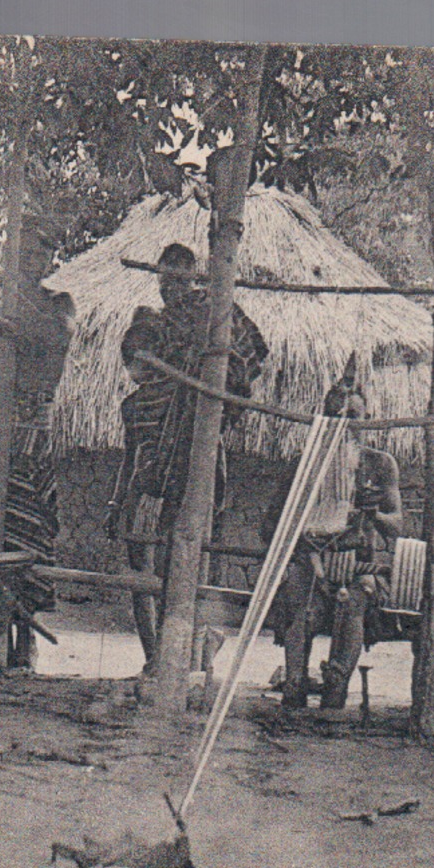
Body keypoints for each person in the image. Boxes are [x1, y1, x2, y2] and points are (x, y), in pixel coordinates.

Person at [109, 242, 269, 668]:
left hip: (195, 462)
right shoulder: (139, 405)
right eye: (163, 279)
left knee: (192, 558)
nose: (169, 287)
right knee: (143, 568)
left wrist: (203, 367)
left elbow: (245, 362)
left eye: (178, 278)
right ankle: (155, 657)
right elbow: (131, 454)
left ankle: (193, 656)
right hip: (150, 481)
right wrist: (120, 498)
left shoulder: (212, 315)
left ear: (193, 277)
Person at [0, 231, 75, 671]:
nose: (33, 263)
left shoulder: (58, 306)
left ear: (49, 263)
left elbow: (53, 350)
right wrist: (2, 344)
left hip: (30, 426)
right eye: (25, 256)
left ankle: (26, 634)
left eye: (42, 255)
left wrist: (13, 333)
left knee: (31, 525)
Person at [262, 386, 405, 711]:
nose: (344, 425)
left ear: (367, 421)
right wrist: (307, 531)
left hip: (360, 569)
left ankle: (335, 693)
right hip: (311, 562)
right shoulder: (306, 466)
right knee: (300, 605)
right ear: (324, 421)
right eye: (335, 417)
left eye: (353, 417)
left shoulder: (380, 465)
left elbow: (397, 526)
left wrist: (372, 514)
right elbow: (271, 527)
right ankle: (294, 690)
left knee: (353, 604)